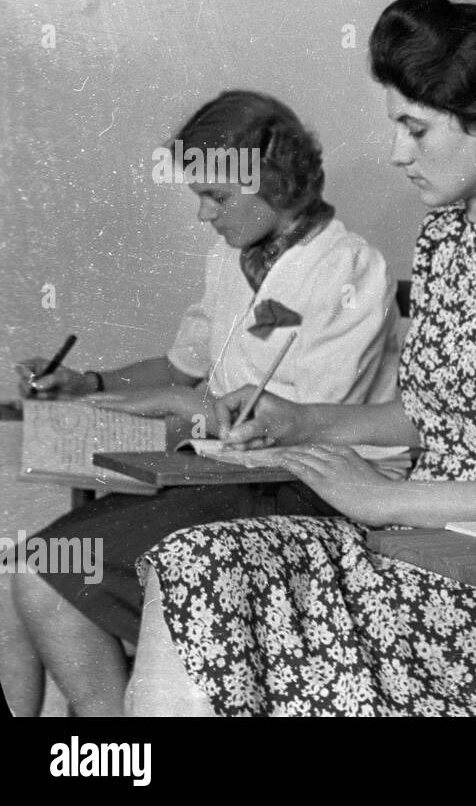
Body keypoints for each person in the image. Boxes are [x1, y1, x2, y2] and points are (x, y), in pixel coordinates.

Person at [124, 0, 476, 716]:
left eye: (414, 128)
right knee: (195, 561)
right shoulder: (445, 239)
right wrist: (302, 421)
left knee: (222, 585)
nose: (394, 153)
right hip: (410, 549)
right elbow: (425, 415)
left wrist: (381, 500)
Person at [1, 90, 400, 716]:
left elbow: (305, 422)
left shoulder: (347, 267)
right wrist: (90, 385)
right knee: (21, 565)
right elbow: (182, 366)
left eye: (216, 197)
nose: (202, 216)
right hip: (220, 474)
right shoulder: (230, 259)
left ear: (277, 180)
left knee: (41, 574)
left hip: (303, 488)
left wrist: (183, 409)